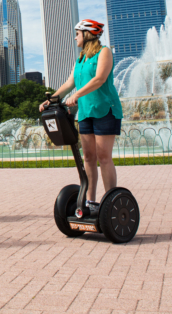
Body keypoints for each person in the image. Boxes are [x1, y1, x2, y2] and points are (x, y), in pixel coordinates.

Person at [40, 20, 123, 216]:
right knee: (88, 157)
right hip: (85, 113)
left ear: (87, 34)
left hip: (105, 110)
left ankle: (110, 200)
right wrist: (50, 100)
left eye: (77, 33)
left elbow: (100, 79)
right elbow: (69, 83)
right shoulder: (80, 59)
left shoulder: (104, 52)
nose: (75, 37)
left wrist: (77, 95)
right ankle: (90, 201)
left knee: (104, 157)